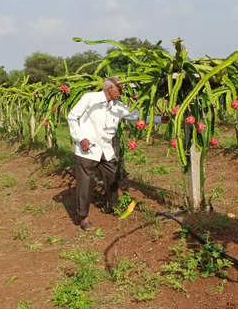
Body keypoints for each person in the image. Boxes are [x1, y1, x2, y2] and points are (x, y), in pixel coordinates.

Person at [67, 77, 168, 230]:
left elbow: (135, 117)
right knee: (85, 183)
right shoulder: (89, 98)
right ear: (110, 89)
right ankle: (83, 217)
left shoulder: (119, 106)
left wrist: (160, 119)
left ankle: (112, 206)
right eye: (119, 89)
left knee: (113, 175)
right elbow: (72, 117)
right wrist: (81, 138)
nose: (121, 92)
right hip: (88, 149)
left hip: (106, 149)